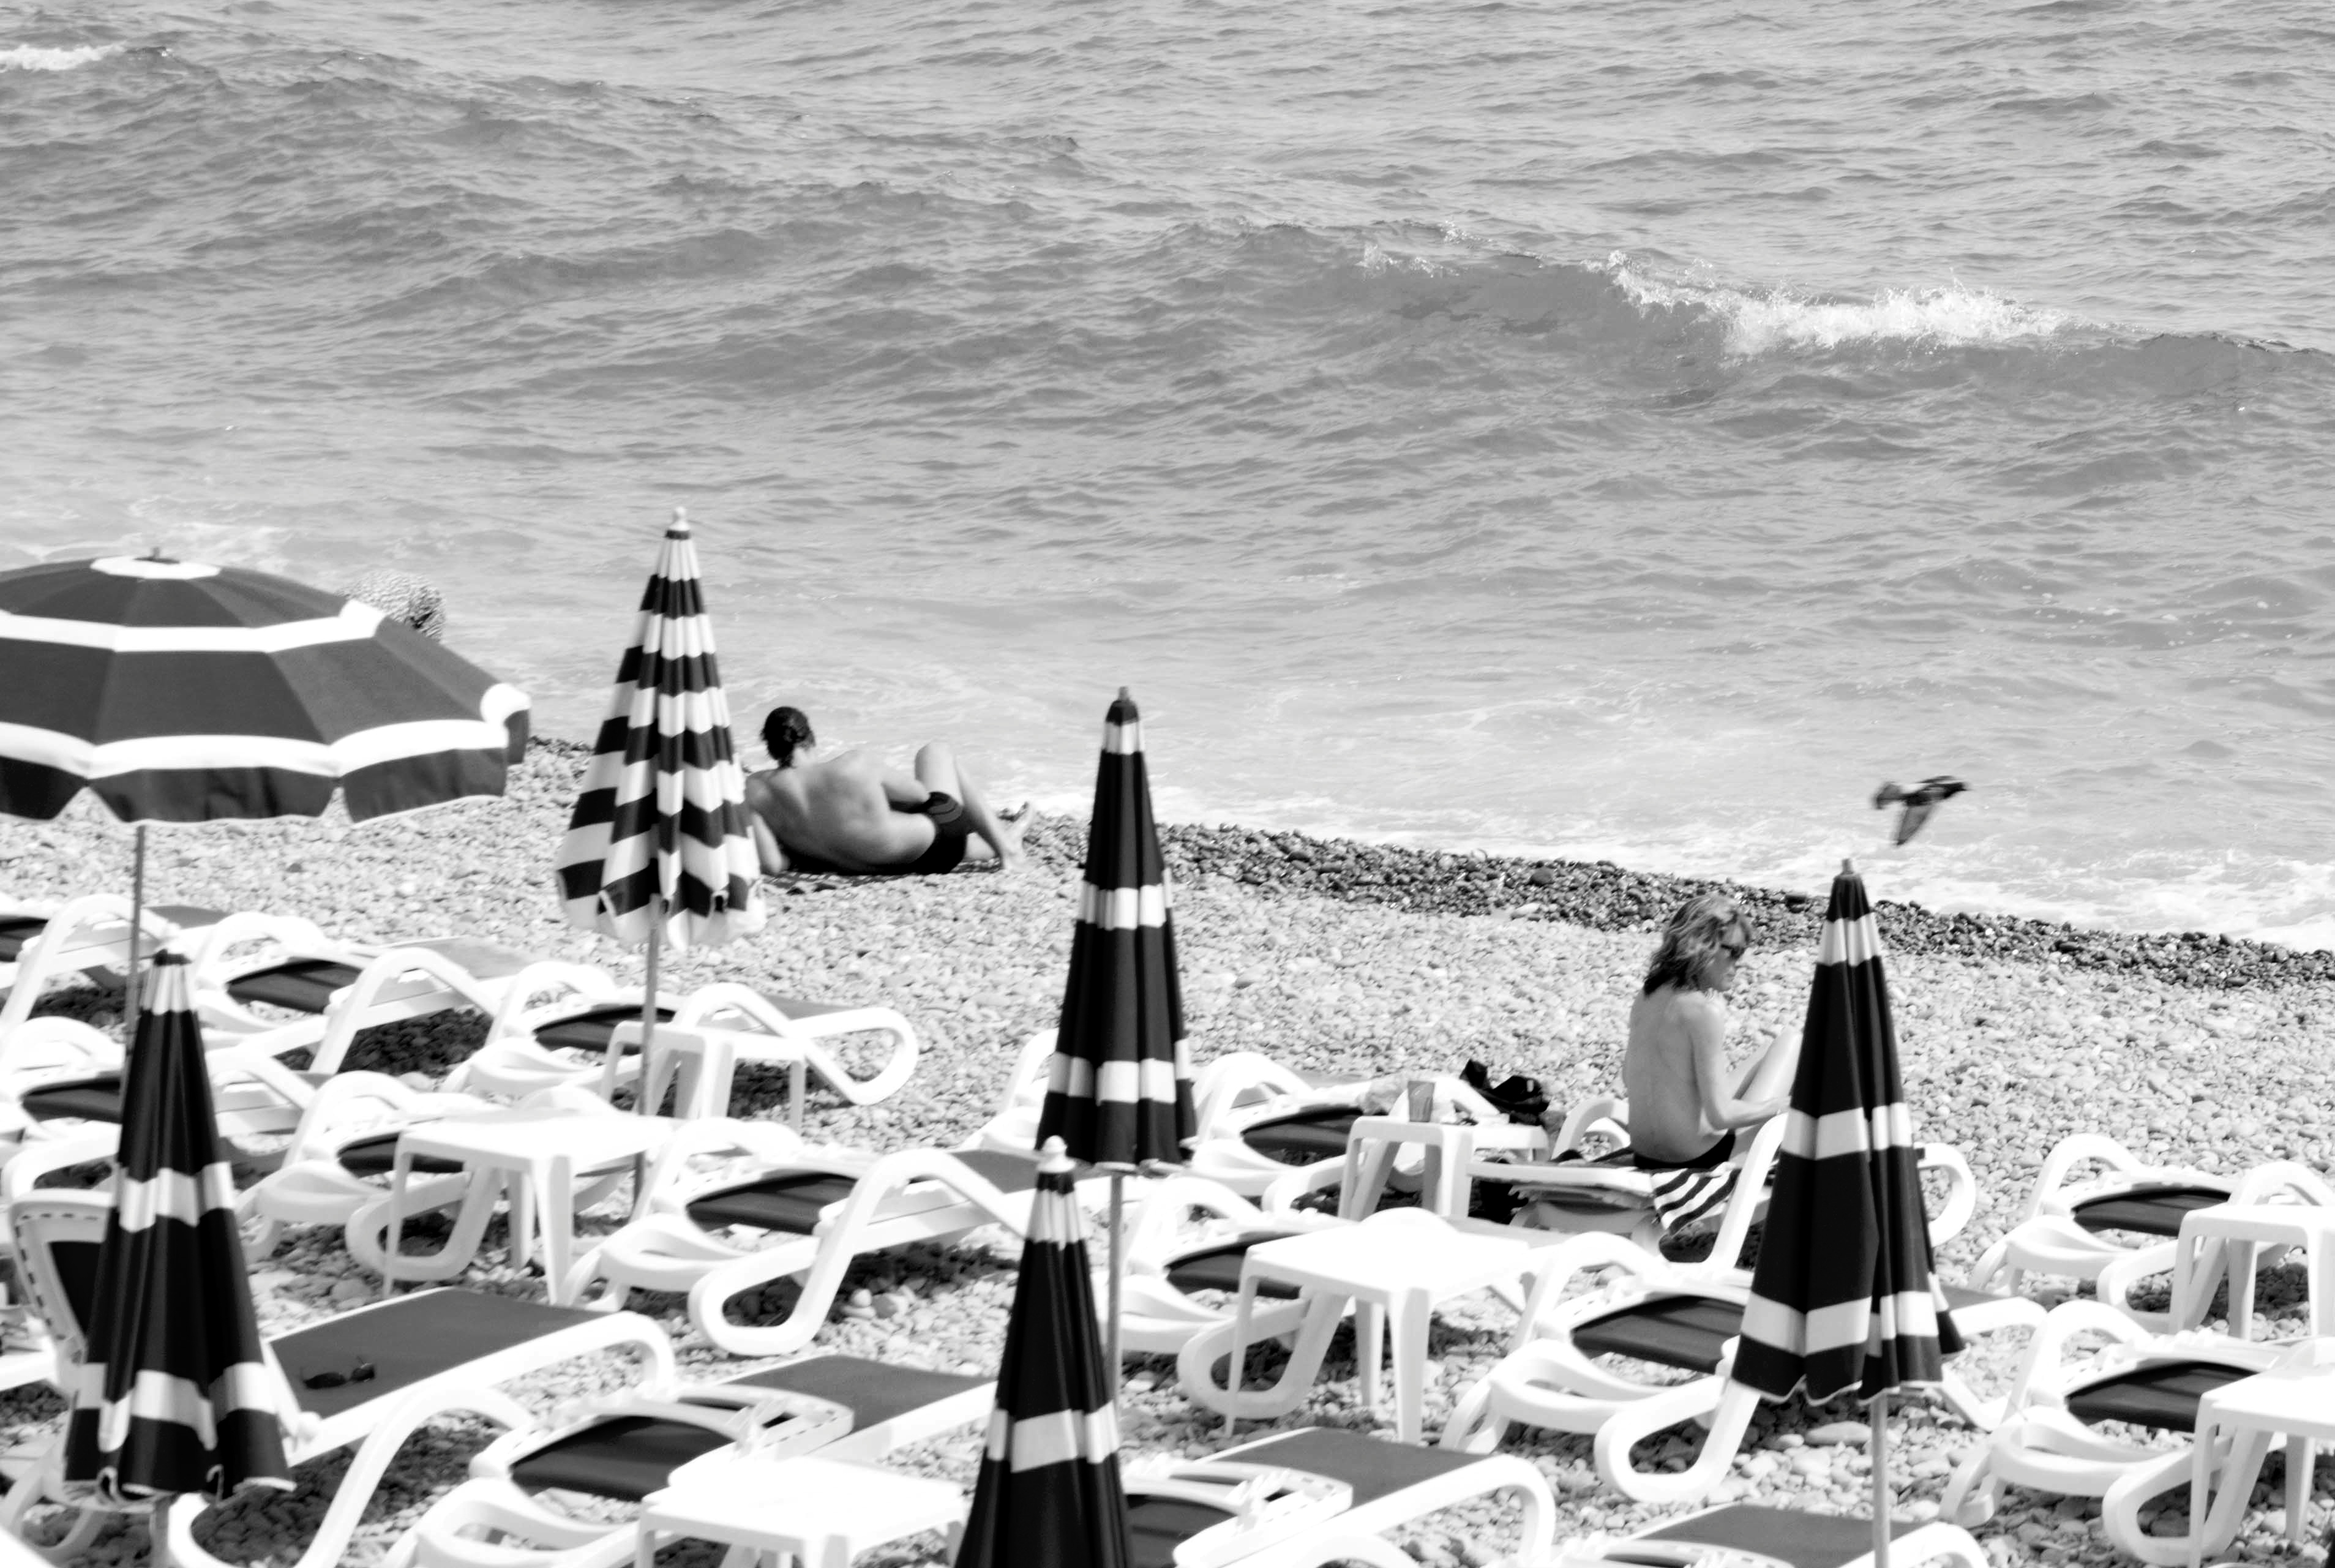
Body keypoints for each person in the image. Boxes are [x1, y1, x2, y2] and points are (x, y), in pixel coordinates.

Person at [1616, 891, 1800, 1235]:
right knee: (1797, 1047)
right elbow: (1721, 1116)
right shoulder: (1704, 1010)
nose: (1739, 963)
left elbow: (1630, 1078)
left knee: (1782, 1043)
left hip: (1645, 1152)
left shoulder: (1648, 996)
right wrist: (1787, 1106)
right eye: (1734, 952)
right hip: (1693, 1160)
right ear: (1701, 946)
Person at [743, 705, 1027, 877]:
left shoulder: (754, 791)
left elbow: (772, 864)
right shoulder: (852, 764)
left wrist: (805, 850)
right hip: (935, 849)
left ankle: (1008, 836)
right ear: (811, 738)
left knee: (963, 844)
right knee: (936, 752)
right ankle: (1008, 848)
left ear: (770, 749)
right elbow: (920, 796)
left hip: (880, 865)